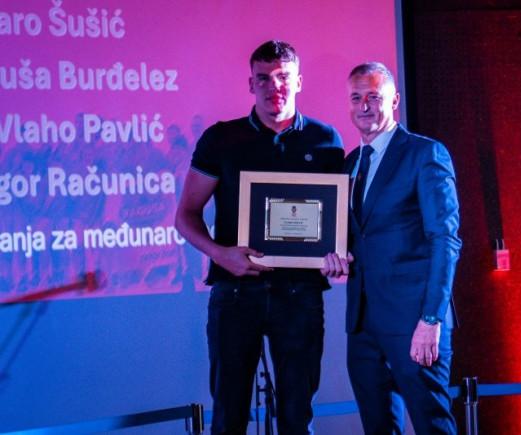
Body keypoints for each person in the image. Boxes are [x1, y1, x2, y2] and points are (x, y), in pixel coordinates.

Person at [175, 40, 344, 434]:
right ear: (250, 84)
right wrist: (220, 254)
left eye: (283, 76)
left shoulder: (325, 140)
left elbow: (334, 218)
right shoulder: (221, 139)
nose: (274, 86)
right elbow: (185, 215)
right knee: (229, 417)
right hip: (236, 293)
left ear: (298, 81)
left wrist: (337, 254)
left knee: (297, 419)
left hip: (301, 294)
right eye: (263, 78)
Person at [324, 62, 462, 434]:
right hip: (362, 328)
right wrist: (335, 257)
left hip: (414, 322)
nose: (364, 106)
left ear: (394, 100)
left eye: (373, 96)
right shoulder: (350, 165)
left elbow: (445, 241)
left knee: (433, 427)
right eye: (356, 98)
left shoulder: (425, 154)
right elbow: (358, 239)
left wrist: (431, 320)